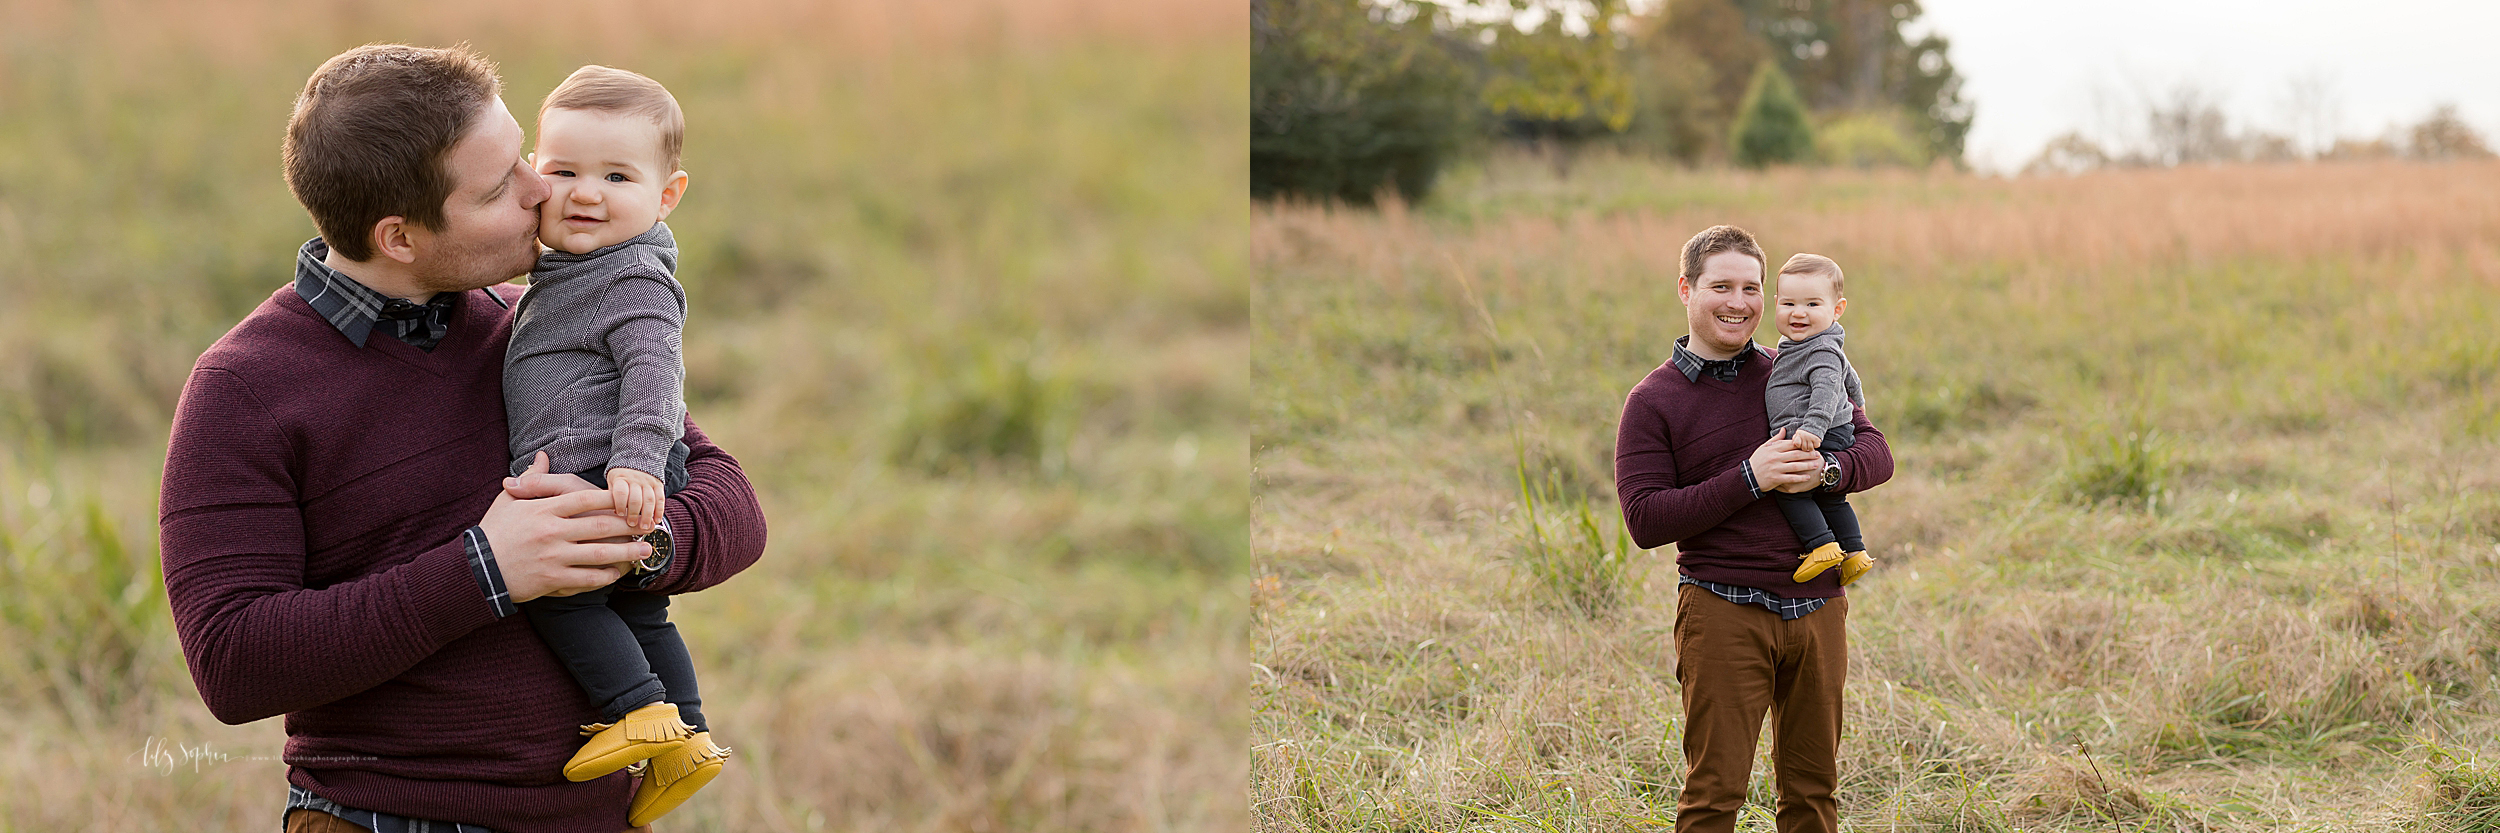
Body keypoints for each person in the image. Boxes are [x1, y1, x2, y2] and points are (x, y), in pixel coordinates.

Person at [157, 43, 766, 833]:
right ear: (400, 236)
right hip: (382, 818)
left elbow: (732, 505)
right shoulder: (243, 389)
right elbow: (233, 661)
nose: (541, 188)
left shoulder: (538, 319)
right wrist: (485, 570)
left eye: (524, 157)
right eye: (500, 186)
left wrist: (630, 542)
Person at [503, 64, 727, 827]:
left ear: (667, 196)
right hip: (601, 460)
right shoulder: (570, 268)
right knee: (642, 612)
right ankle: (687, 737)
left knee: (562, 592)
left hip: (610, 464)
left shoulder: (634, 278)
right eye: (562, 169)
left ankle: (637, 711)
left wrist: (635, 460)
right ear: (532, 173)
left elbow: (656, 375)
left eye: (616, 175)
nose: (585, 192)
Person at [1612, 225, 1893, 832]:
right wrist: (1750, 476)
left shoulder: (1797, 363)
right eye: (1720, 286)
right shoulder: (1652, 401)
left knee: (1813, 794)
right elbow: (1645, 519)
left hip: (1817, 607)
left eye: (1751, 288)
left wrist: (1826, 469)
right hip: (1722, 611)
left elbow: (1876, 453)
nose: (1738, 302)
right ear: (1686, 289)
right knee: (1715, 795)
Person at [1763, 253, 1875, 586]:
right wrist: (1858, 403)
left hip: (1819, 432)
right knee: (1832, 497)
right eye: (1789, 304)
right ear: (1776, 303)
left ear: (1837, 309)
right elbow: (1849, 376)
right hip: (1830, 429)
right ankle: (1855, 553)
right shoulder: (1808, 344)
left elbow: (1827, 390)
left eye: (1812, 304)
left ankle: (1822, 545)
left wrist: (1813, 428)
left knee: (1790, 489)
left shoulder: (1819, 349)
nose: (1798, 313)